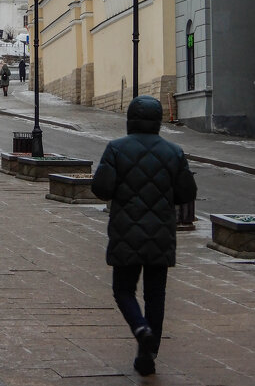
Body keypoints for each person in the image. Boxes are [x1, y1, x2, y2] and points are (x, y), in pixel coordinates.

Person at [91, 95, 197, 377]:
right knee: (155, 296)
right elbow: (187, 194)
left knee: (123, 290)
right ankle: (147, 357)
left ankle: (140, 327)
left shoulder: (115, 149)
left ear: (130, 120)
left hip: (126, 232)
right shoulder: (173, 151)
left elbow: (101, 189)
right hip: (161, 233)